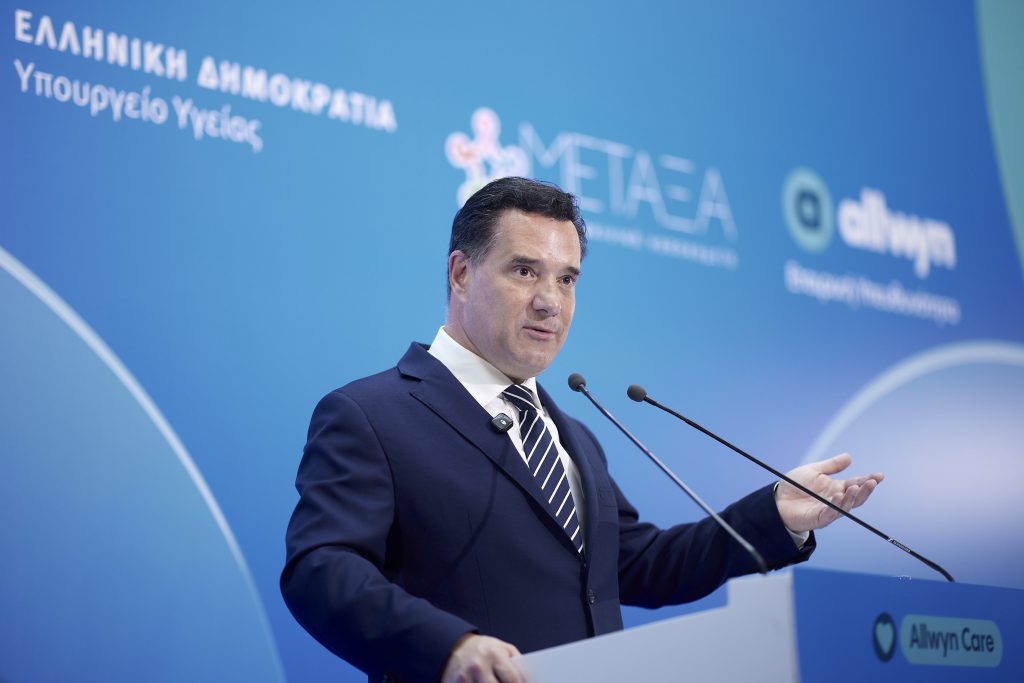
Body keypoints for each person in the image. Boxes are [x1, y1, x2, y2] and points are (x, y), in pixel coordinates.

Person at [281, 177, 883, 683]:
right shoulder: (372, 414)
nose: (551, 301)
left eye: (567, 279)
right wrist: (449, 647)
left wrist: (775, 514)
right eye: (525, 271)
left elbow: (638, 565)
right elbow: (321, 567)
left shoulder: (574, 436)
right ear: (461, 273)